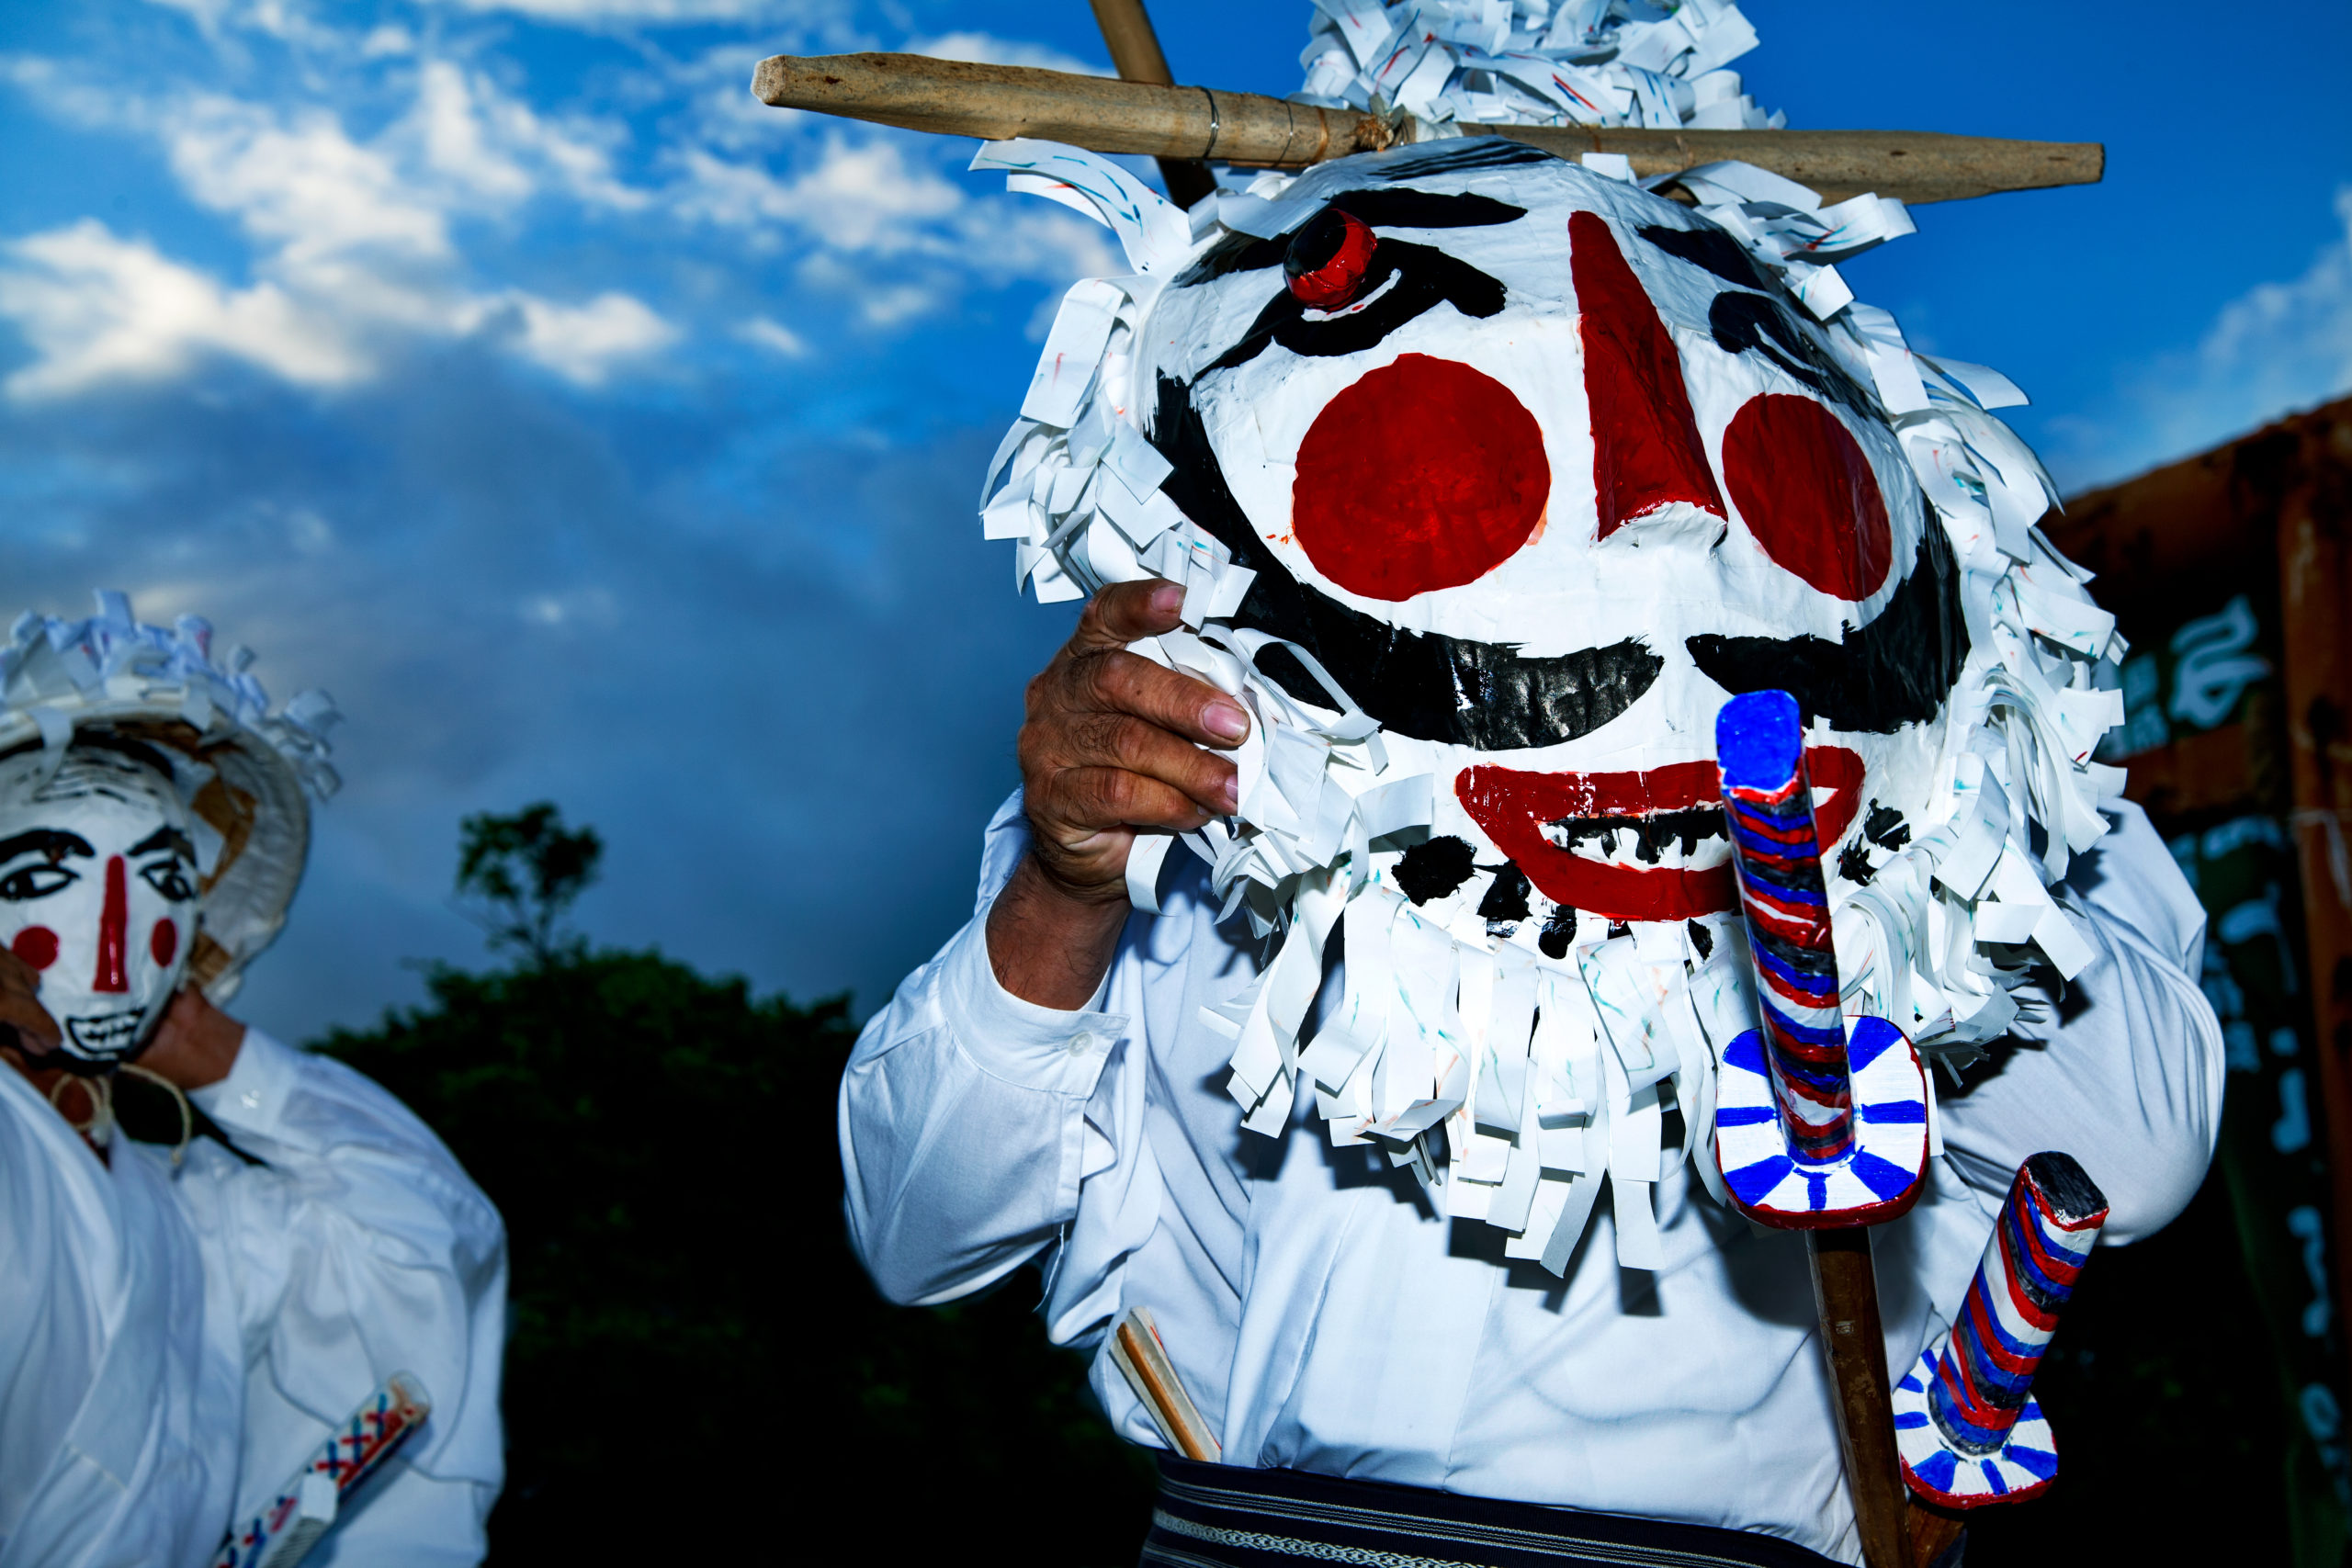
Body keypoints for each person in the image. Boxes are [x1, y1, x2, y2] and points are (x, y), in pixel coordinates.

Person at [838, 12, 2222, 1564]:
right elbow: (921, 1227)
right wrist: (1062, 882)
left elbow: (2137, 1152)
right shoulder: (1182, 761)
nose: (1641, 514)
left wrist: (1928, 801)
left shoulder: (1954, 750)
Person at [0, 594, 504, 1567]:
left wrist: (231, 1063)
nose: (113, 945)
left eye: (159, 880)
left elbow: (430, 1242)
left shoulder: (198, 1221)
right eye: (40, 881)